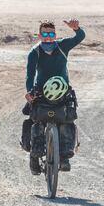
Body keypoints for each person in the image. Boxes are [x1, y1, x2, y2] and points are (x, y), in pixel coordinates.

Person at [24, 19, 85, 175]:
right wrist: (30, 91)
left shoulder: (63, 45)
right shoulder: (35, 52)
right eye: (45, 34)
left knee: (66, 121)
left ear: (55, 35)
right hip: (41, 92)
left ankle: (64, 158)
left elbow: (80, 37)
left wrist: (76, 29)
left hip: (63, 91)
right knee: (36, 121)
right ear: (40, 35)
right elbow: (30, 75)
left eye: (51, 34)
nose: (49, 37)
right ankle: (34, 156)